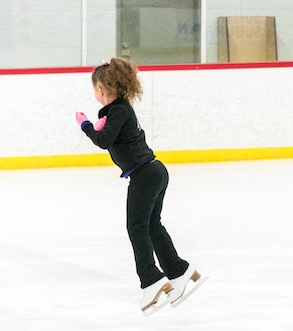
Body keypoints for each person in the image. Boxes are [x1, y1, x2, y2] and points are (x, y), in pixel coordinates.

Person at [75, 57, 204, 315]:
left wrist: (87, 125)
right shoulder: (120, 109)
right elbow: (111, 135)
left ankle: (152, 279)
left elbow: (103, 140)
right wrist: (100, 123)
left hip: (145, 176)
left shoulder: (117, 111)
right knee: (151, 225)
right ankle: (179, 270)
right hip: (154, 172)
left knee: (136, 227)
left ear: (100, 90)